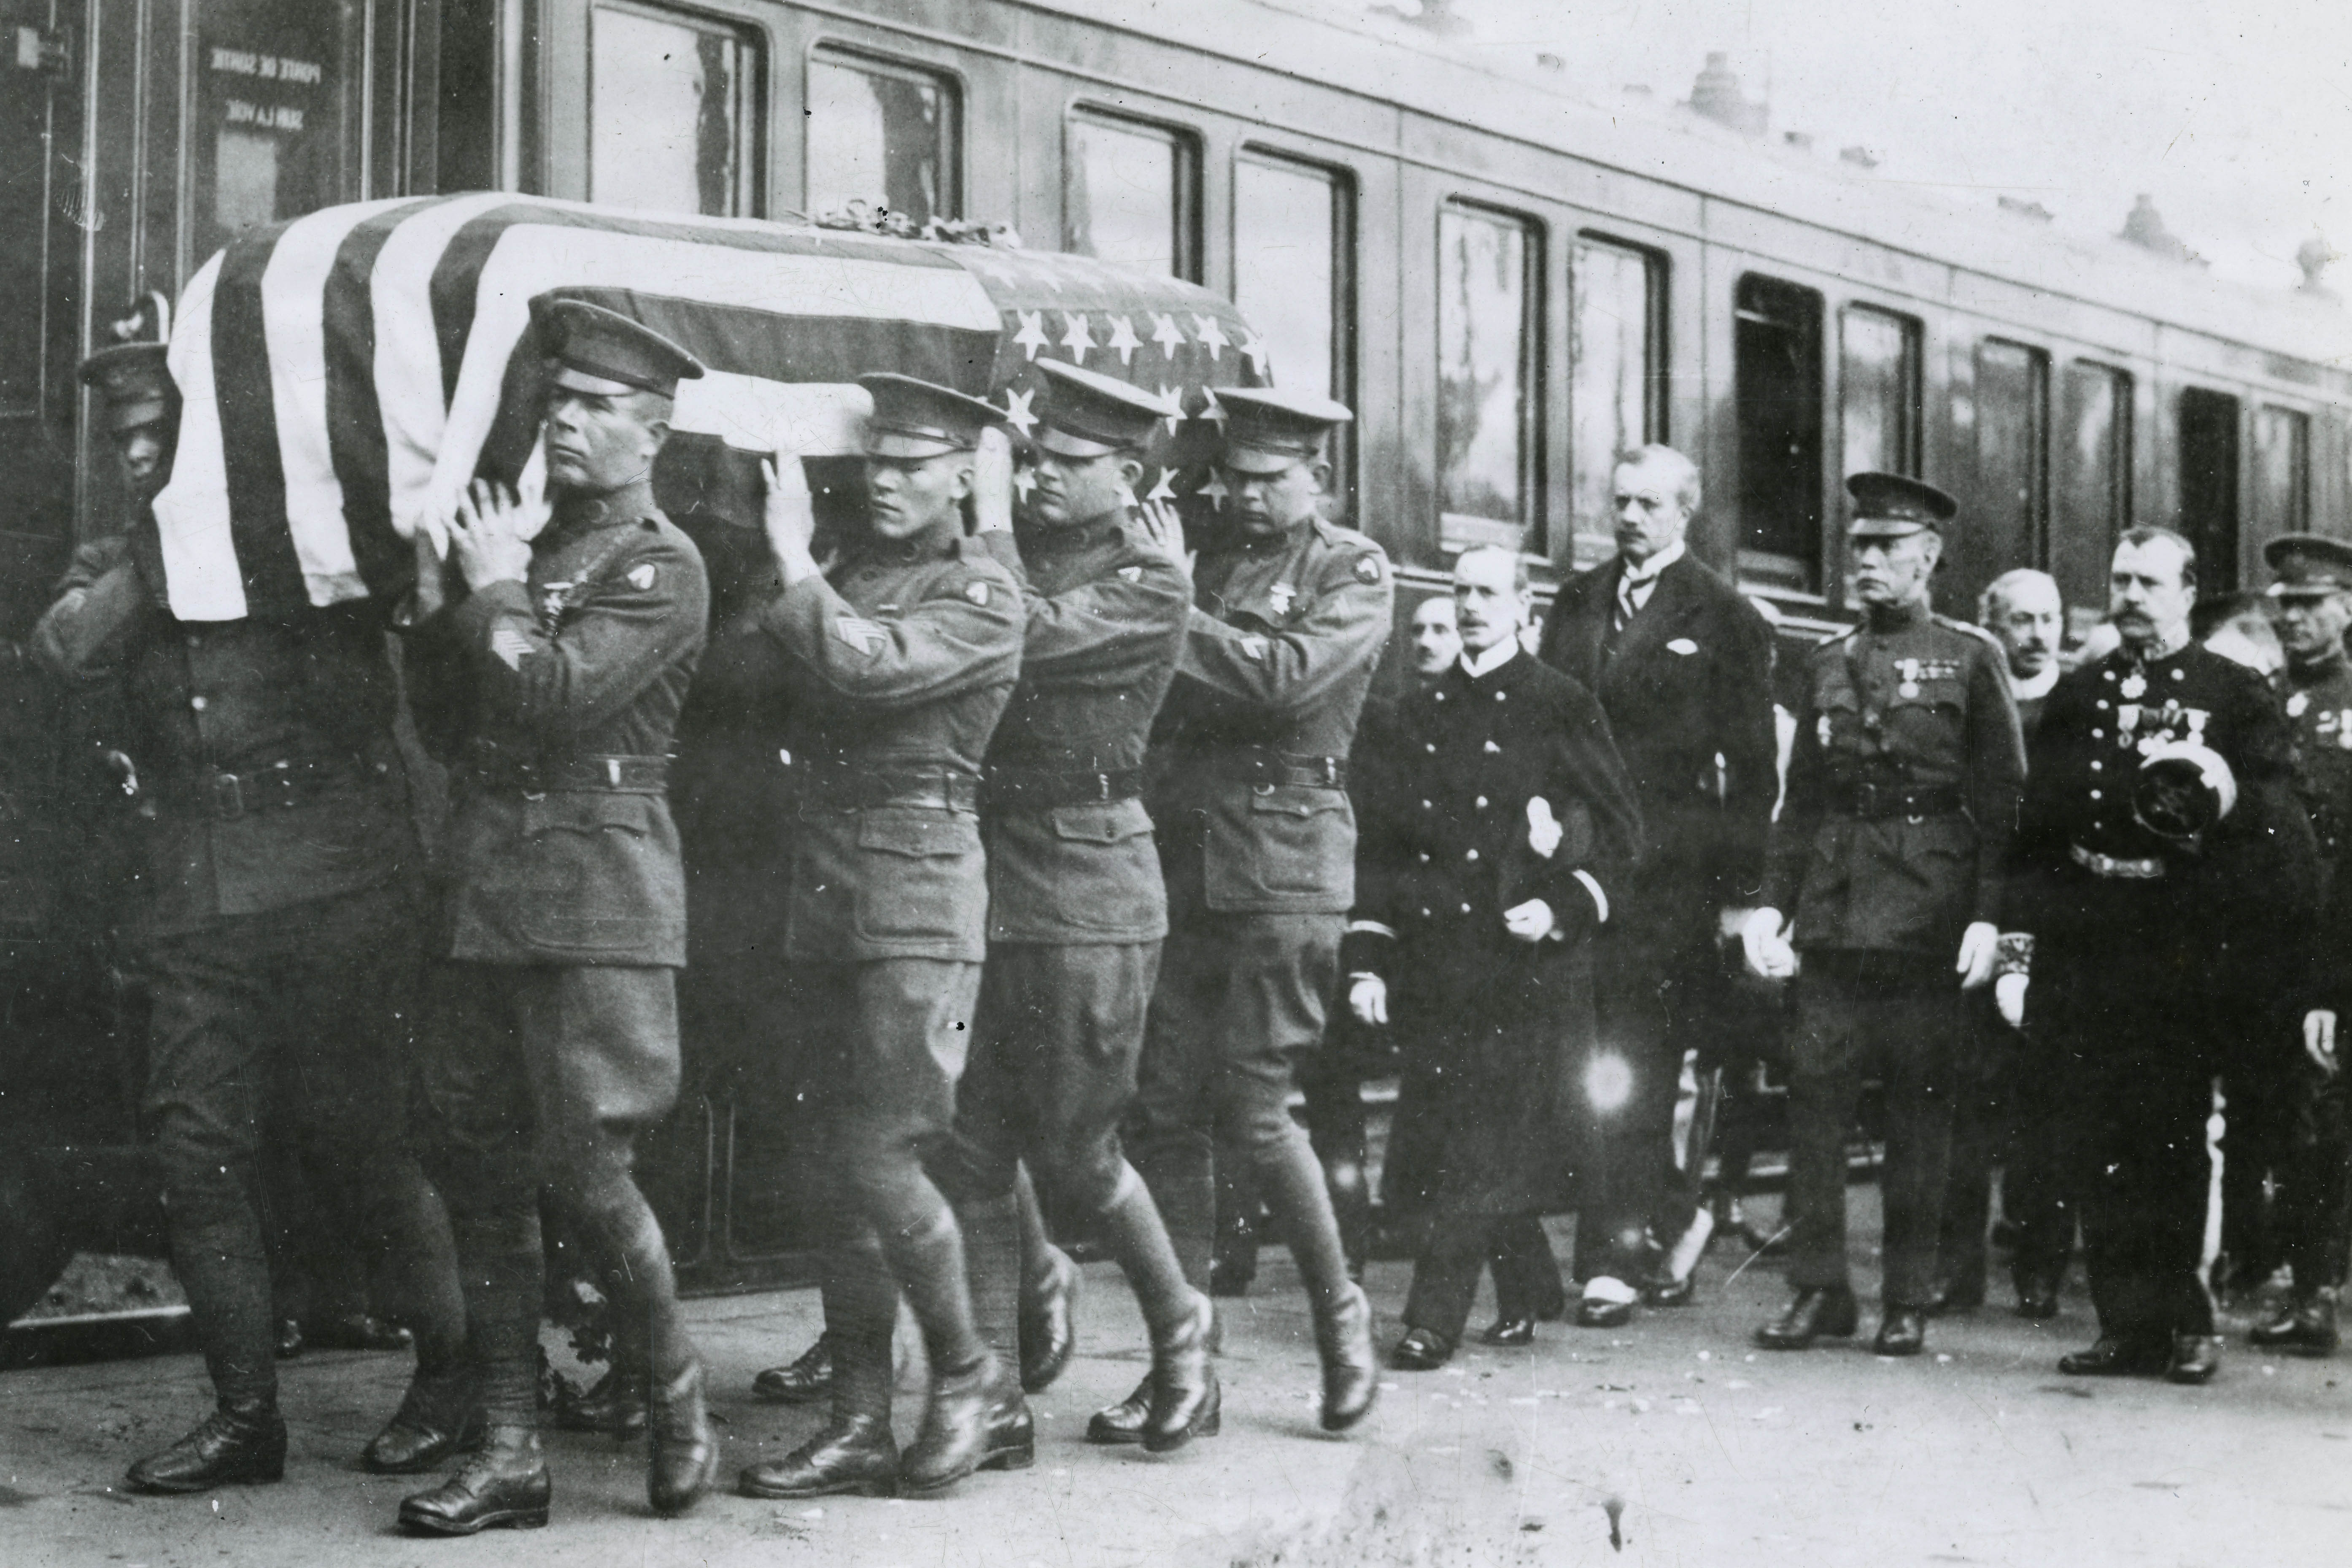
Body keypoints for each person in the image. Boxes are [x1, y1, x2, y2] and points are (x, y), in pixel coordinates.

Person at [35, 343, 466, 1495]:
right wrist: (162, 537)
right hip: (196, 892)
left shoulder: (308, 542)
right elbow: (70, 648)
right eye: (121, 438)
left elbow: (390, 681)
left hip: (335, 880)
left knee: (370, 1144)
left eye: (156, 434)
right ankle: (245, 1416)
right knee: (196, 1151)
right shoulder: (123, 553)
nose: (134, 454)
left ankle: (456, 1380)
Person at [395, 300, 715, 1532]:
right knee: (479, 1164)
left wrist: (491, 591)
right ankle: (513, 1449)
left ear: (652, 433)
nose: (568, 423)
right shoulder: (532, 553)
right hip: (492, 888)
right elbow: (451, 725)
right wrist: (445, 601)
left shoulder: (658, 562)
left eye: (598, 409)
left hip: (596, 895)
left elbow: (558, 698)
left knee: (588, 1168)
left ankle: (678, 1392)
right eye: (562, 403)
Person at [921, 359, 1219, 1462]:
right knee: (972, 1141)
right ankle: (995, 1397)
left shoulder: (1151, 579)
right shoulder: (1028, 556)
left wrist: (989, 519)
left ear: (1128, 475)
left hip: (1090, 885)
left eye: (1065, 461)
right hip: (994, 874)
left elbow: (1014, 635)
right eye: (1033, 455)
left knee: (1083, 1152)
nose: (1040, 473)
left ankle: (1183, 1336)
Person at [734, 373, 1025, 1500]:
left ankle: (966, 1375)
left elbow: (867, 667)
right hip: (832, 896)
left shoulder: (987, 590)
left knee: (881, 1151)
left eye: (915, 465)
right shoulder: (855, 573)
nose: (888, 482)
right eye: (877, 464)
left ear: (966, 474)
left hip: (917, 898)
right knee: (828, 1168)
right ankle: (859, 1417)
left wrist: (791, 560)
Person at [1114, 386, 1389, 1439]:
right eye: (1234, 476)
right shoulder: (1213, 561)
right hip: (1185, 858)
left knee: (1258, 1109)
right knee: (1164, 1107)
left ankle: (1339, 1320)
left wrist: (1167, 607)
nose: (1246, 494)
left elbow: (1282, 678)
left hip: (1285, 864)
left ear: (1319, 476)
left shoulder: (1349, 569)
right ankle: (1186, 1360)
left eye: (1272, 478)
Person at [2001, 527, 2317, 1384]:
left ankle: (2184, 1321)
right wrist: (2017, 950)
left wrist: (2216, 798)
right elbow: (2038, 833)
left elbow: (2274, 826)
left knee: (2171, 1137)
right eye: (2119, 580)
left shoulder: (2234, 692)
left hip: (2177, 946)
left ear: (2186, 591)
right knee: (2098, 1134)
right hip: (2089, 940)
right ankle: (2123, 1325)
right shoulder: (2080, 693)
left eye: (2149, 581)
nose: (2131, 595)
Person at [1741, 473, 2025, 1358]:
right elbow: (1800, 806)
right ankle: (1819, 1288)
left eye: (1884, 547)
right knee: (1813, 1109)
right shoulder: (1825, 658)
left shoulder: (1971, 658)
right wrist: (1769, 909)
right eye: (1857, 545)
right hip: (1832, 916)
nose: (1864, 560)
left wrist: (1990, 920)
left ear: (1928, 555)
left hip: (1928, 919)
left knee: (1918, 1112)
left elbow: (2004, 802)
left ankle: (1907, 1294)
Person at [1351, 547, 1643, 1368]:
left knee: (1475, 1141)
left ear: (1524, 606)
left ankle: (1431, 1318)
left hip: (1526, 969)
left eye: (1488, 593)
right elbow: (1384, 850)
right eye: (1460, 591)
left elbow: (1624, 836)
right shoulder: (1418, 710)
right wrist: (1369, 958)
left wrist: (1560, 904)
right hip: (1440, 965)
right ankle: (1528, 1286)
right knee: (1460, 1129)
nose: (1471, 606)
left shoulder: (1560, 703)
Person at [1534, 443, 1777, 1325]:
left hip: (1666, 884)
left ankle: (1610, 1262)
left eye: (1648, 504)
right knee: (1577, 1063)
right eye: (1620, 500)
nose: (1629, 517)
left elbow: (1752, 775)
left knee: (1634, 1067)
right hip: (1574, 868)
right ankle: (1663, 1220)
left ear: (1686, 513)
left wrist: (1739, 896)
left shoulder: (1724, 616)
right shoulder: (1575, 601)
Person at [1934, 569, 2068, 1317]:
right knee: (1959, 1102)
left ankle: (2041, 1263)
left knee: (2046, 1104)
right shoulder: (1970, 696)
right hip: (1970, 912)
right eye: (2021, 619)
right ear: (1992, 627)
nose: (2038, 633)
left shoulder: (2074, 702)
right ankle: (1958, 1268)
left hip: (2047, 919)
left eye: (2048, 618)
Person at [2250, 534, 2352, 1355]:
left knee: (2323, 1115)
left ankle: (2316, 1287)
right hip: (2271, 935)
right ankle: (2284, 1267)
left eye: (2310, 603)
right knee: (2278, 1110)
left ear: (2346, 609)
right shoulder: (2258, 695)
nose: (2293, 617)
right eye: (2282, 603)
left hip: (2341, 938)